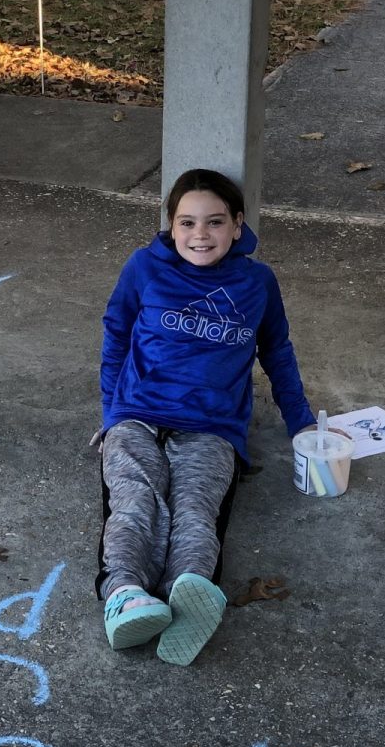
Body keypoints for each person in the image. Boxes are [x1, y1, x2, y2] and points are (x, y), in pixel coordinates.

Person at [96, 168, 320, 665]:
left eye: (215, 221)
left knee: (195, 508)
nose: (201, 234)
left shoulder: (257, 282)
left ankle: (188, 594)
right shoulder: (144, 267)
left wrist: (301, 422)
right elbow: (116, 335)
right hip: (137, 413)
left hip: (213, 427)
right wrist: (112, 413)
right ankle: (125, 595)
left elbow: (277, 352)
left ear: (238, 225)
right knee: (136, 500)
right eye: (187, 222)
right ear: (171, 226)